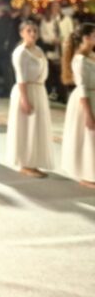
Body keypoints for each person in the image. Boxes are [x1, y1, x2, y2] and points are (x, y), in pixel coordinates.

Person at [7, 21, 54, 178]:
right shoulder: (20, 52)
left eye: (35, 30)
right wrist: (25, 100)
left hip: (39, 90)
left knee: (37, 127)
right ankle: (25, 163)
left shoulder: (38, 50)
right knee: (27, 127)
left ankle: (33, 162)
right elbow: (21, 78)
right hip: (26, 91)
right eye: (29, 31)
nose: (33, 33)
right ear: (22, 33)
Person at [61, 23, 95, 188]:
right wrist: (88, 114)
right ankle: (87, 175)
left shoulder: (91, 56)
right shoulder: (80, 60)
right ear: (86, 38)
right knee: (88, 137)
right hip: (86, 99)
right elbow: (81, 87)